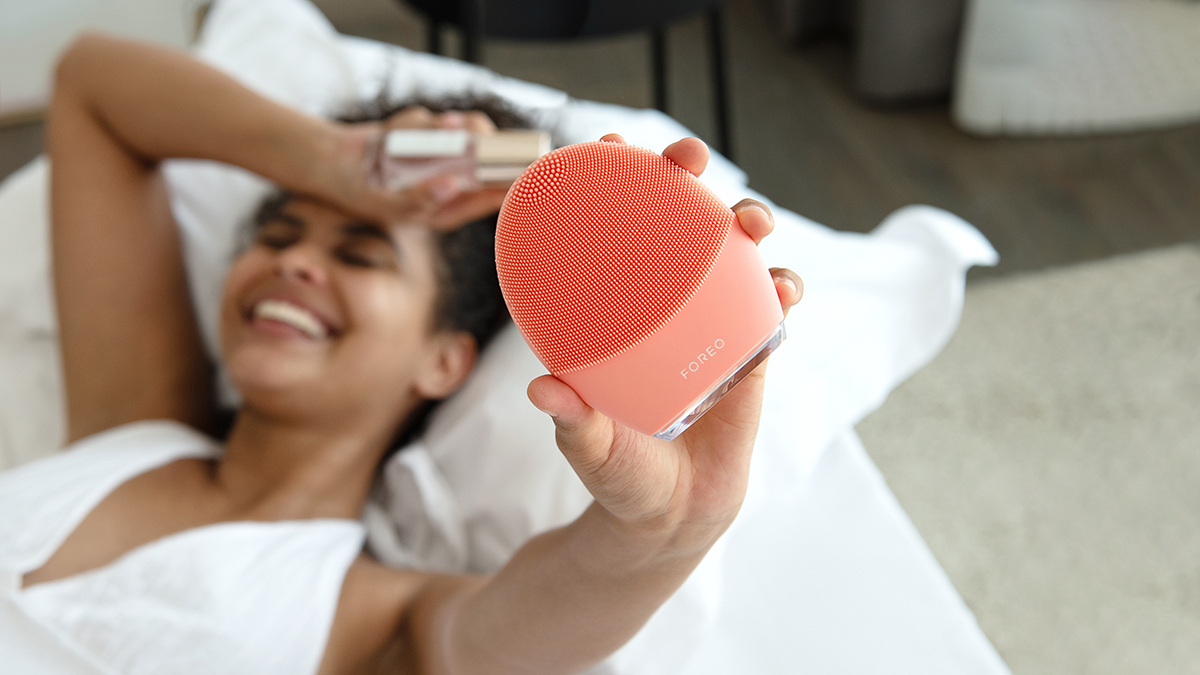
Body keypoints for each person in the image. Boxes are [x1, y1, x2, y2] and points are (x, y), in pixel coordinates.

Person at [0, 33, 803, 675]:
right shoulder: (133, 425)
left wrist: (670, 528)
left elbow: (531, 630)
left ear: (446, 361)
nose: (292, 262)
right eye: (277, 234)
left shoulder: (374, 622)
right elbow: (92, 86)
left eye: (360, 254)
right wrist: (341, 164)